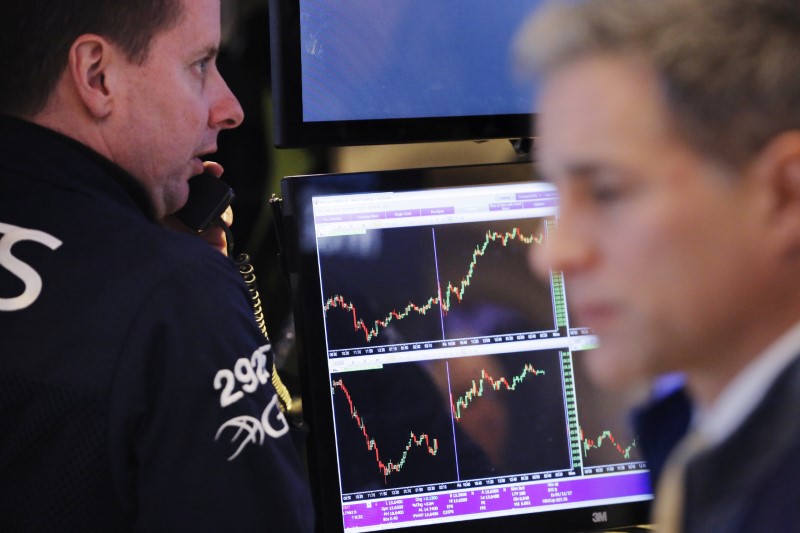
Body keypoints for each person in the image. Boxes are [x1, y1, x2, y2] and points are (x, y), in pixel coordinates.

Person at [0, 0, 314, 531]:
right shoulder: (175, 303)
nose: (230, 106)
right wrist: (203, 298)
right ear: (97, 75)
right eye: (200, 65)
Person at [515, 0, 800, 531]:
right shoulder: (717, 446)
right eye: (555, 193)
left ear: (786, 195)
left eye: (606, 191)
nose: (551, 253)